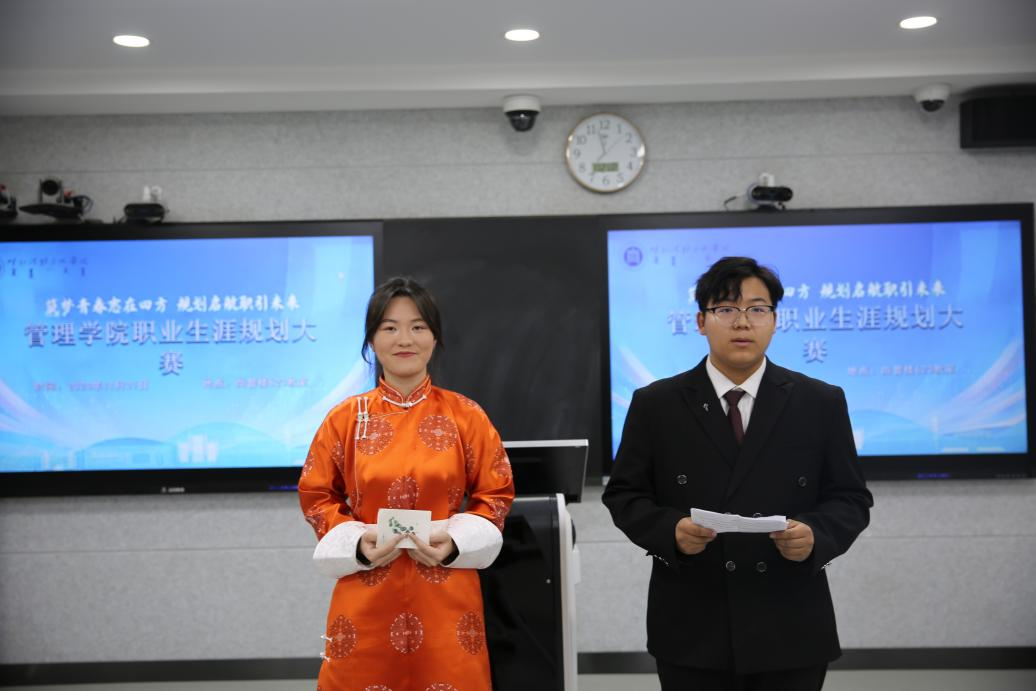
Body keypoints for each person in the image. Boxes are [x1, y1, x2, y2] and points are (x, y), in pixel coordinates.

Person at [602, 256, 873, 691]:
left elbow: (851, 497)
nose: (742, 322)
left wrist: (816, 535)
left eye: (757, 309)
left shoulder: (819, 401)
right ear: (700, 321)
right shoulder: (656, 403)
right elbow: (625, 494)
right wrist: (670, 531)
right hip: (693, 622)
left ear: (775, 321)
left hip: (790, 620)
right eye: (726, 308)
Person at [299, 276, 515, 691]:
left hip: (446, 586)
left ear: (434, 338)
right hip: (366, 587)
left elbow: (496, 493)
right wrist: (356, 544)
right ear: (371, 339)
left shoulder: (466, 415)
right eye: (390, 327)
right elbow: (316, 494)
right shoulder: (345, 418)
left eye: (418, 327)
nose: (405, 339)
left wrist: (455, 543)